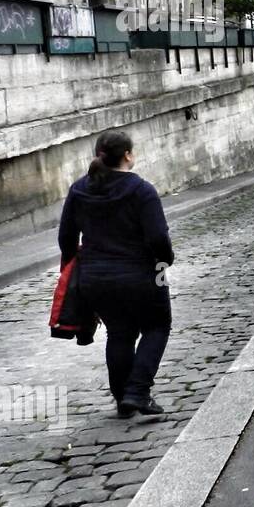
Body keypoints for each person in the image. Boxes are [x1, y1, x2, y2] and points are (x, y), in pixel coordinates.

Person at [58, 130, 173, 420]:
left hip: (96, 279)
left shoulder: (78, 190)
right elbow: (158, 237)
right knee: (157, 326)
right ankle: (138, 391)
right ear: (127, 155)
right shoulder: (141, 190)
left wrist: (78, 269)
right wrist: (164, 261)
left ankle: (123, 397)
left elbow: (66, 238)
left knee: (119, 333)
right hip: (142, 274)